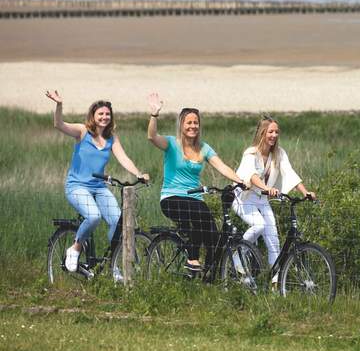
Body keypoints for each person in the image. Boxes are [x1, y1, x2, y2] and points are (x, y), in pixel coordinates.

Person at [45, 90, 149, 274]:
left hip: (99, 187)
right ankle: (75, 248)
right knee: (93, 216)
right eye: (101, 113)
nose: (104, 117)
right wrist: (59, 105)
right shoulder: (82, 131)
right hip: (77, 186)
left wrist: (138, 173)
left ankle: (116, 265)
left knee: (119, 222)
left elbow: (123, 158)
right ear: (93, 115)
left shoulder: (111, 137)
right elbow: (58, 124)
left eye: (108, 114)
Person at [147, 92, 243, 271]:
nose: (193, 126)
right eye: (189, 122)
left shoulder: (204, 148)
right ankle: (192, 258)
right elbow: (152, 137)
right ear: (182, 125)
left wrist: (240, 180)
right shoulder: (171, 144)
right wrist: (154, 115)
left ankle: (208, 276)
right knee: (200, 214)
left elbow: (221, 166)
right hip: (172, 198)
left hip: (195, 199)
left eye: (196, 122)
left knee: (214, 238)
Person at [232, 116, 316, 274]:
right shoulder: (250, 153)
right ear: (262, 133)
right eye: (270, 132)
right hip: (243, 198)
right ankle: (238, 257)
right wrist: (266, 188)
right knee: (259, 225)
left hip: (262, 199)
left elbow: (290, 173)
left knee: (274, 241)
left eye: (277, 132)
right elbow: (251, 175)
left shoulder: (279, 153)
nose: (274, 135)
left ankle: (275, 281)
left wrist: (305, 192)